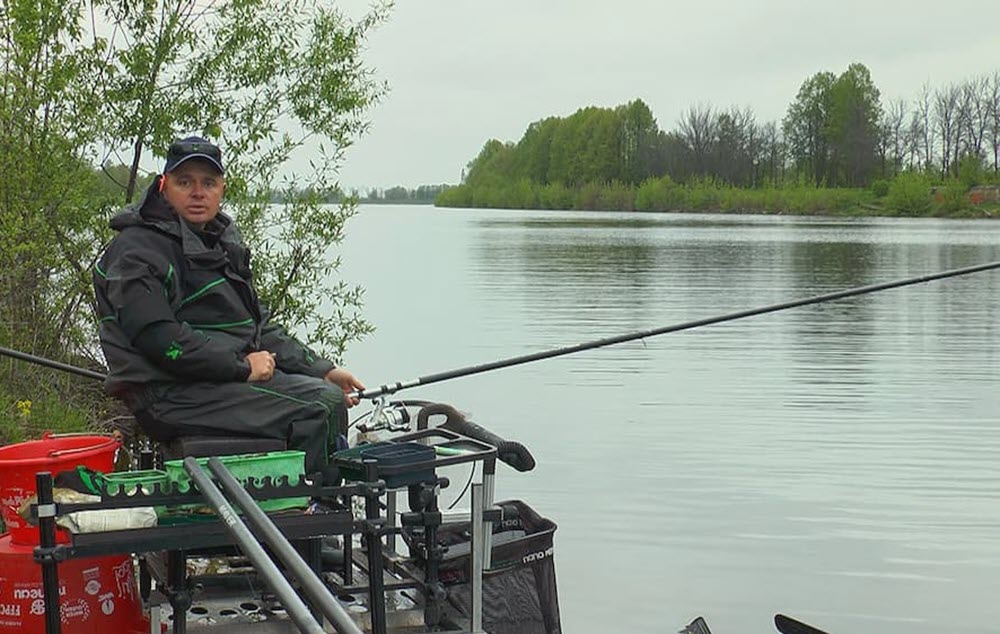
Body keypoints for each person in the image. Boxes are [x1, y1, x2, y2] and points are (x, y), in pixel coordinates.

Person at [94, 136, 364, 482]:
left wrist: (320, 369)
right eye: (184, 181)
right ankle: (313, 514)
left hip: (207, 382)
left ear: (222, 188)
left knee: (325, 393)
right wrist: (241, 367)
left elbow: (255, 327)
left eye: (208, 182)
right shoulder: (138, 251)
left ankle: (305, 510)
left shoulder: (217, 241)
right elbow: (159, 338)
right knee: (322, 405)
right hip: (167, 394)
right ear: (163, 187)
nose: (197, 192)